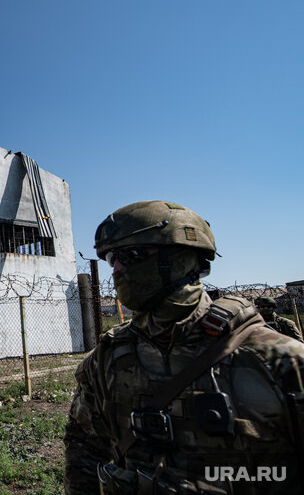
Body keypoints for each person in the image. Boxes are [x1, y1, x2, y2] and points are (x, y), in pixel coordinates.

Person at [64, 200, 304, 494]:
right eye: (112, 258)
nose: (116, 268)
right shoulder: (109, 356)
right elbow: (84, 450)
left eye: (132, 255)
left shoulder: (278, 360)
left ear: (182, 258)